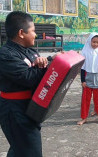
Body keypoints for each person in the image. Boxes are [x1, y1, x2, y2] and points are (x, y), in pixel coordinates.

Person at [0, 11, 59, 157]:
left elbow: (39, 66)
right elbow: (28, 77)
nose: (35, 35)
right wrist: (53, 64)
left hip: (29, 108)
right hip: (14, 112)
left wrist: (48, 60)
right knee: (30, 151)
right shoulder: (6, 54)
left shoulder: (30, 50)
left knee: (20, 148)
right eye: (33, 31)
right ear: (21, 33)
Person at [77, 32, 98, 126]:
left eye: (97, 42)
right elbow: (83, 68)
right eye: (94, 42)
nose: (95, 44)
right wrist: (83, 81)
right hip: (88, 80)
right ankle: (84, 118)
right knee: (85, 100)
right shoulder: (85, 52)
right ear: (90, 41)